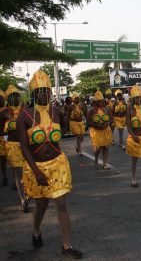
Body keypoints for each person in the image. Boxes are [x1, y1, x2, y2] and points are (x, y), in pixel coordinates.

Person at [17, 70, 82, 258]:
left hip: (58, 164)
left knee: (61, 203)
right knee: (42, 206)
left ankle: (67, 246)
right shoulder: (24, 116)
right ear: (34, 93)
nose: (44, 93)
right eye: (39, 90)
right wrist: (36, 172)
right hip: (37, 167)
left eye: (46, 90)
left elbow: (66, 127)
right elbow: (24, 148)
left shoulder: (56, 112)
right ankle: (36, 230)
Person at [0, 85, 29, 212]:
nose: (14, 98)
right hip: (12, 145)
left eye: (16, 96)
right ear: (8, 99)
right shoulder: (4, 113)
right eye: (11, 96)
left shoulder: (26, 111)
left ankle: (27, 191)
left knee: (26, 171)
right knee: (18, 172)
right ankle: (23, 199)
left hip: (26, 145)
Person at [87, 90, 113, 170]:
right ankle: (96, 157)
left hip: (106, 130)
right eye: (98, 101)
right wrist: (97, 124)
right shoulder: (91, 111)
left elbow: (112, 119)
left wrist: (108, 123)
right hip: (96, 131)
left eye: (101, 101)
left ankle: (104, 164)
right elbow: (88, 122)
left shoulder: (106, 110)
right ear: (95, 102)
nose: (100, 103)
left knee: (105, 147)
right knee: (98, 148)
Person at [0, 90, 8, 186]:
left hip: (6, 137)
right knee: (3, 159)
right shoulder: (6, 111)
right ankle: (5, 176)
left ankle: (5, 176)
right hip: (4, 137)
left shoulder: (7, 110)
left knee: (4, 159)